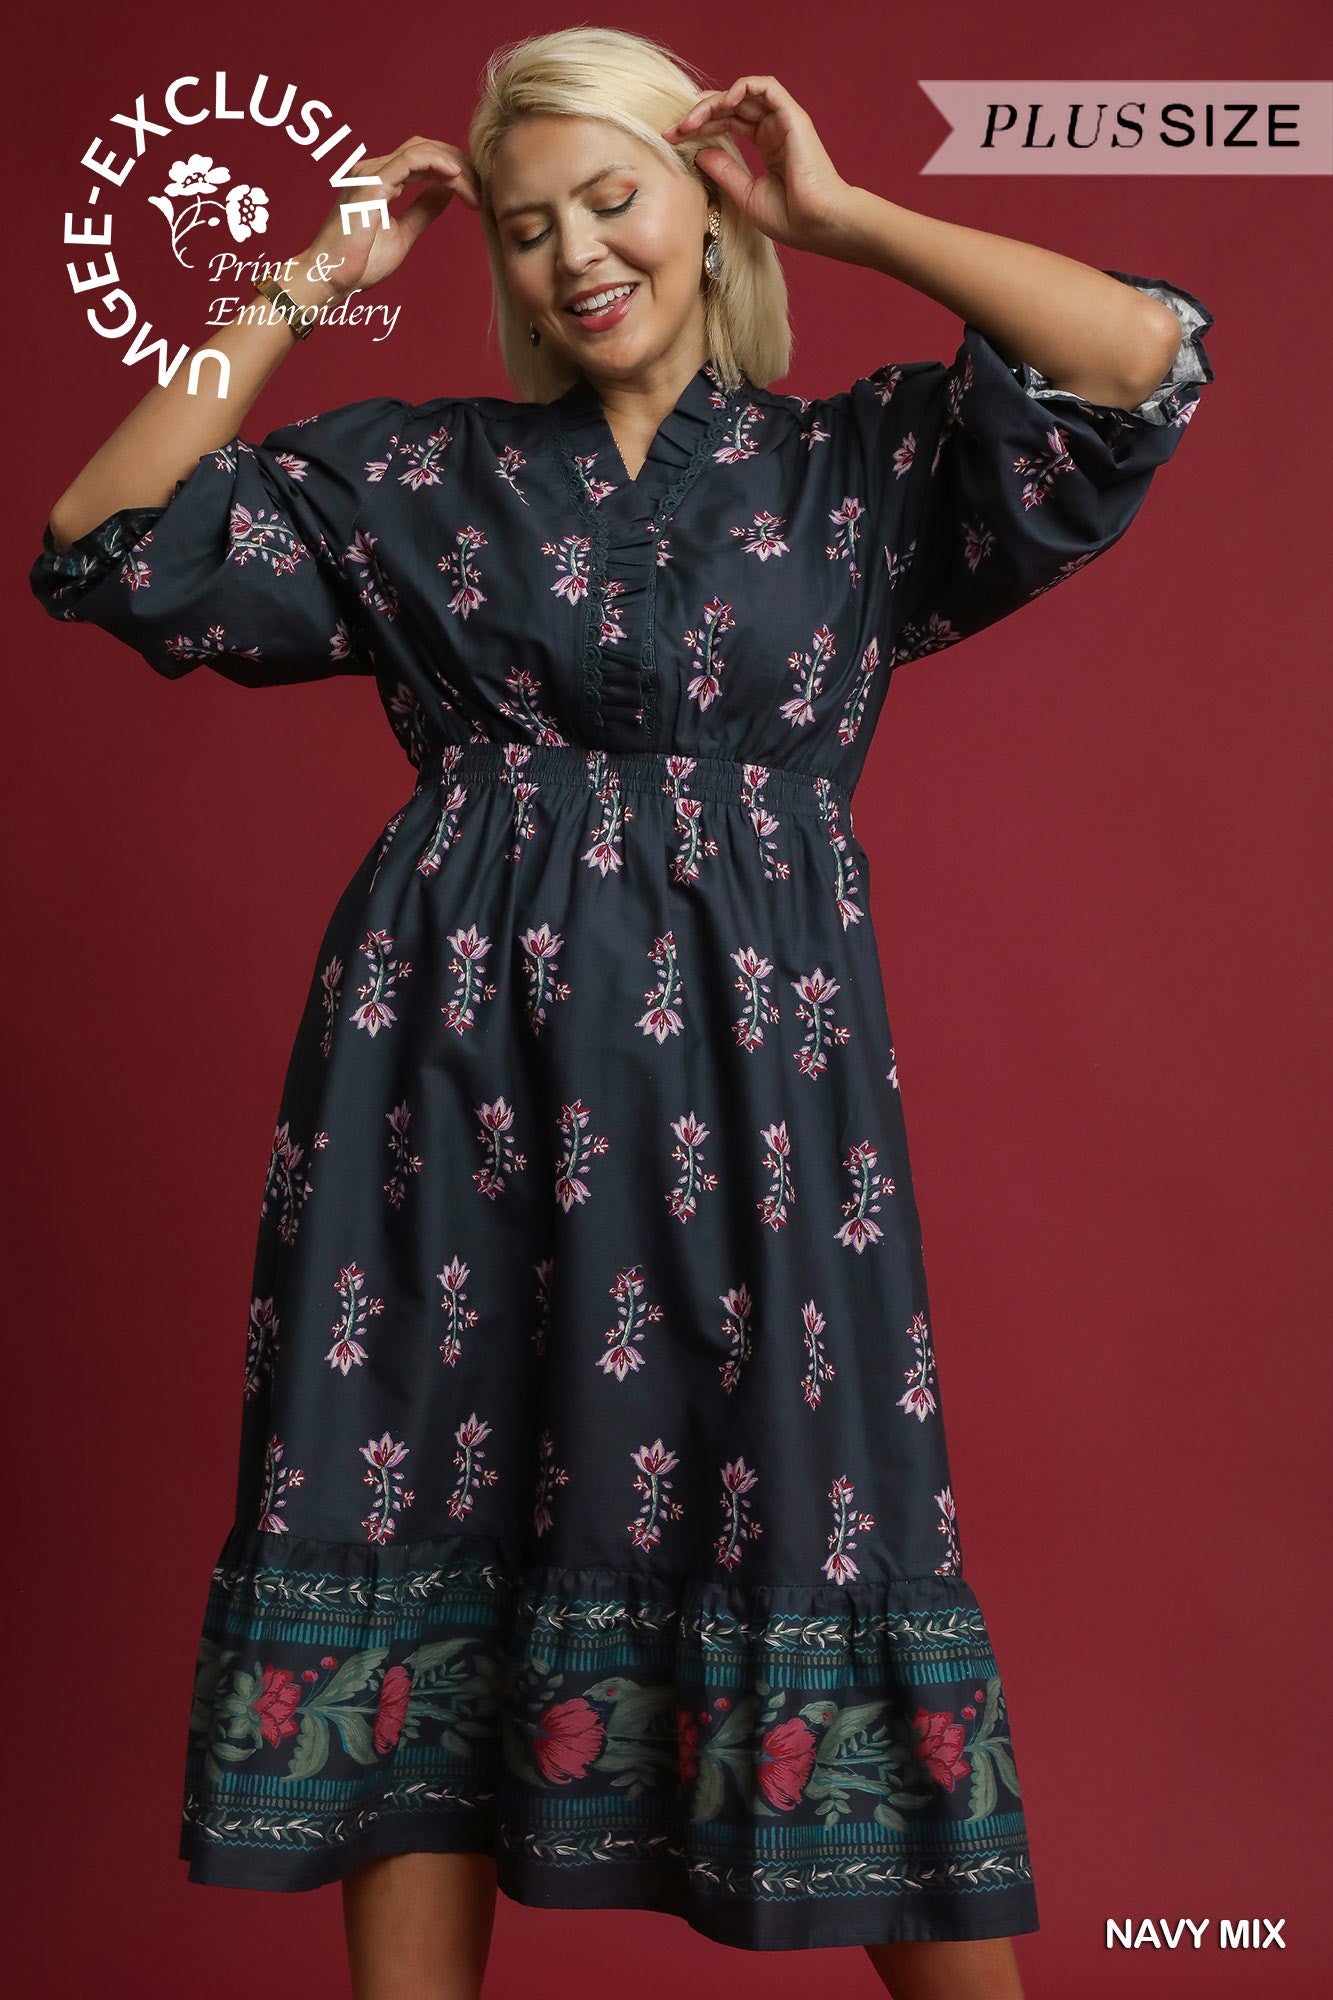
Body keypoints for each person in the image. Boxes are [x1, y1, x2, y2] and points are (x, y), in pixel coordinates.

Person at [30, 24, 1214, 2000]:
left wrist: (840, 218)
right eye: (524, 225)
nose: (573, 251)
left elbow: (1138, 365)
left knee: (830, 1544)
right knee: (424, 1527)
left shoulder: (861, 468)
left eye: (610, 195)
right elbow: (104, 546)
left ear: (703, 193)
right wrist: (303, 283)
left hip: (761, 1107)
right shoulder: (422, 469)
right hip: (441, 1090)